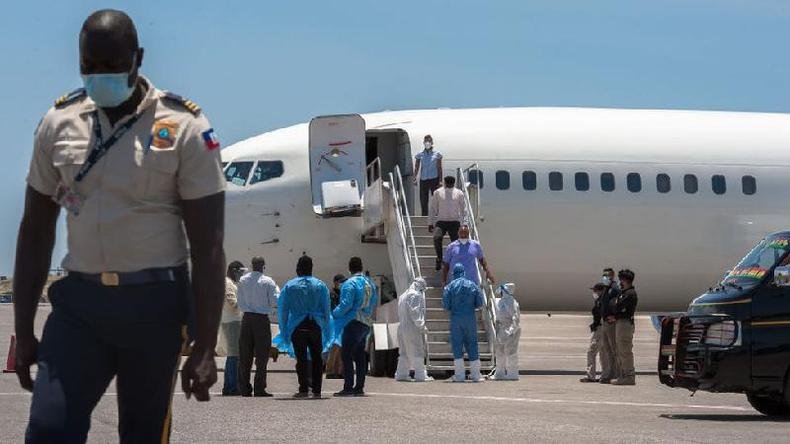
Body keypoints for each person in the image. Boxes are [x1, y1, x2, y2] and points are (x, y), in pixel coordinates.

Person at [13, 9, 226, 442]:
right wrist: (23, 328)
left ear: (138, 58)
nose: (100, 76)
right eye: (89, 67)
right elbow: (35, 229)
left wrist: (205, 346)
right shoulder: (58, 125)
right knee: (48, 429)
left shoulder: (184, 127)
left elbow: (208, 246)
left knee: (142, 434)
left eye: (111, 67)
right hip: (80, 308)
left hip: (155, 309)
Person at [273, 255, 332, 398]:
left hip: (297, 326)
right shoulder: (320, 285)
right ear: (311, 268)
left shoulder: (289, 286)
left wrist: (284, 329)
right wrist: (326, 328)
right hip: (315, 324)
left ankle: (303, 389)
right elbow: (326, 308)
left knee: (301, 359)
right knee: (317, 358)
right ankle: (317, 390)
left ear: (297, 268)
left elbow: (283, 310)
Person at [332, 257, 379, 397]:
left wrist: (334, 313)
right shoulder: (370, 283)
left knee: (346, 354)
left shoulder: (349, 283)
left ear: (349, 268)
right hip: (366, 323)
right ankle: (359, 387)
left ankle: (348, 387)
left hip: (353, 322)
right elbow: (374, 303)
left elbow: (346, 304)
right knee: (360, 356)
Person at [236, 256, 280, 397]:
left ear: (252, 265)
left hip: (247, 318)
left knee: (245, 354)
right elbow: (275, 301)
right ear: (263, 266)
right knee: (262, 356)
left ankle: (244, 388)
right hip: (261, 319)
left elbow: (239, 300)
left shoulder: (242, 280)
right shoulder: (268, 281)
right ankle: (259, 388)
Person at [443, 263, 485, 382]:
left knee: (457, 345)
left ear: (454, 273)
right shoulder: (472, 285)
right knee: (472, 344)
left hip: (456, 319)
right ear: (464, 272)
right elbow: (479, 303)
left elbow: (446, 305)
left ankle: (460, 375)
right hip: (470, 319)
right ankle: (476, 375)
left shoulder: (449, 287)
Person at [394, 277, 431, 382]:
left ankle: (401, 374)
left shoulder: (403, 296)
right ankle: (420, 375)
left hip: (402, 327)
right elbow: (415, 312)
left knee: (404, 352)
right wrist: (422, 325)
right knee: (417, 350)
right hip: (412, 327)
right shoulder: (414, 295)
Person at [428, 176, 466, 270]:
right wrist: (430, 222)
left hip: (454, 221)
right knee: (437, 237)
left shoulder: (459, 193)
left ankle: (455, 261)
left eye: (451, 184)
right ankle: (439, 258)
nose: (449, 186)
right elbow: (433, 208)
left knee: (456, 243)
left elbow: (463, 209)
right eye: (448, 184)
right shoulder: (438, 192)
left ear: (453, 184)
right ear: (445, 183)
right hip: (441, 221)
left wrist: (464, 223)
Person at [220, 261, 245, 395]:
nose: (241, 275)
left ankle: (229, 386)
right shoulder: (228, 284)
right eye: (240, 272)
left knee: (233, 355)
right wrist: (246, 305)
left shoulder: (228, 282)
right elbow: (232, 302)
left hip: (231, 321)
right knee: (234, 355)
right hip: (232, 322)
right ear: (234, 271)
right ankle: (231, 387)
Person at [612, 269, 638, 386]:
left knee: (625, 350)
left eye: (621, 280)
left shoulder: (630, 294)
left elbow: (618, 307)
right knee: (620, 349)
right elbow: (616, 306)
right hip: (620, 323)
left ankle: (629, 376)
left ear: (624, 280)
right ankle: (623, 375)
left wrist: (616, 312)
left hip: (625, 324)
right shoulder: (624, 293)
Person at [491, 283, 521, 381]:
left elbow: (515, 318)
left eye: (503, 290)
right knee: (500, 352)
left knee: (511, 352)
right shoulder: (501, 301)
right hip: (502, 328)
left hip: (510, 329)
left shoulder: (512, 302)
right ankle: (499, 373)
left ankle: (513, 373)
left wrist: (512, 330)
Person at [580, 283, 606, 383]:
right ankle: (605, 375)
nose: (594, 292)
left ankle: (591, 376)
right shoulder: (600, 301)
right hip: (601, 328)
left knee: (591, 351)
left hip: (600, 329)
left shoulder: (602, 302)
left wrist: (597, 324)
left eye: (596, 290)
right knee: (603, 353)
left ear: (601, 291)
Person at [413, 134, 443, 216]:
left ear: (432, 142)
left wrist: (440, 181)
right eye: (426, 141)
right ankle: (424, 216)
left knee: (435, 199)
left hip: (434, 179)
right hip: (423, 179)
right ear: (423, 142)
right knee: (423, 200)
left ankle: (436, 216)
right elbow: (417, 167)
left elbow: (439, 168)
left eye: (429, 141)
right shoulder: (420, 154)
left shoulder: (437, 154)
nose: (427, 143)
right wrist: (414, 177)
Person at [325, 274, 345, 379]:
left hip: (341, 322)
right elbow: (332, 309)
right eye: (340, 282)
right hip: (334, 323)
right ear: (335, 282)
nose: (342, 284)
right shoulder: (331, 294)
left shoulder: (342, 293)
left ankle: (339, 371)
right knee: (334, 347)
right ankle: (330, 371)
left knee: (340, 348)